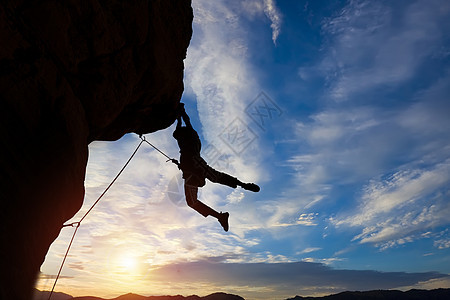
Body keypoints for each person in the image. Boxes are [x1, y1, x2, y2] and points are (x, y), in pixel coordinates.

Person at [173, 104, 260, 231]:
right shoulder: (191, 138)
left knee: (196, 197)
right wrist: (181, 112)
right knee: (214, 178)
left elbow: (181, 126)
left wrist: (179, 115)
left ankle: (221, 214)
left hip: (193, 169)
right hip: (196, 167)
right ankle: (238, 189)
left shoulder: (185, 141)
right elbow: (185, 123)